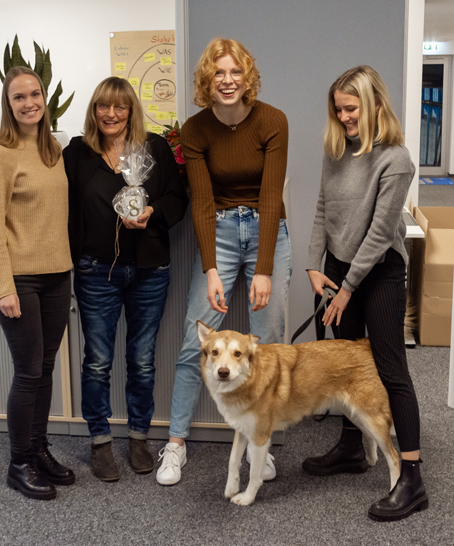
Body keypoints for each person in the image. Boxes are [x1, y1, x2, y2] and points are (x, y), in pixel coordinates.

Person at [157, 38, 291, 486]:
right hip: (220, 233)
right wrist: (211, 267)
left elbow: (272, 197)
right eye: (219, 73)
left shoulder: (273, 121)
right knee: (196, 340)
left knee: (268, 344)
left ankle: (261, 447)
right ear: (207, 81)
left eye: (235, 72)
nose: (228, 81)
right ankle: (175, 444)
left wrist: (266, 268)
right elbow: (202, 202)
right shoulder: (195, 130)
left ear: (247, 76)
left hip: (268, 230)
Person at [305, 65, 428, 521]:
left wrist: (348, 289)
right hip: (337, 269)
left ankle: (412, 479)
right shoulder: (335, 149)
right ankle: (351, 448)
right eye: (338, 110)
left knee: (389, 366)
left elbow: (379, 234)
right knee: (343, 363)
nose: (344, 117)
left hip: (378, 272)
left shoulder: (396, 159)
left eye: (351, 108)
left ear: (375, 104)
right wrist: (314, 268)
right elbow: (321, 210)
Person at [64, 77, 188, 482]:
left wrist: (153, 211)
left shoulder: (154, 149)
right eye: (103, 106)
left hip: (150, 270)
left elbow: (178, 197)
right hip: (96, 270)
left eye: (119, 107)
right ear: (93, 110)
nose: (111, 114)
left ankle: (139, 437)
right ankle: (99, 441)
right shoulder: (78, 153)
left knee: (142, 359)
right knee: (98, 361)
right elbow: (49, 184)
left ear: (131, 109)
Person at [0, 66, 74, 501]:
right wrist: (4, 286)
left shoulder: (53, 148)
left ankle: (38, 450)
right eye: (19, 97)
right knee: (28, 372)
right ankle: (18, 463)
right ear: (8, 104)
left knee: (47, 368)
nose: (29, 102)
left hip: (58, 275)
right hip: (21, 280)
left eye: (35, 94)